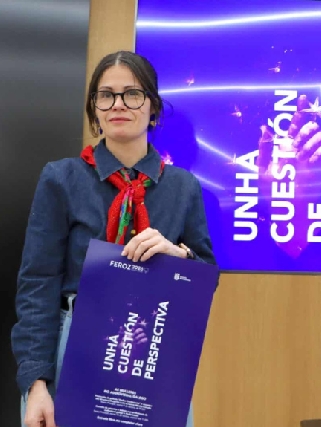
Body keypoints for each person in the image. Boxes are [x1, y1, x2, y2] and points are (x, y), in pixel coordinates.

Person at [11, 50, 216, 427]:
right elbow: (38, 284)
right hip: (74, 345)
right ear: (95, 108)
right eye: (106, 95)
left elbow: (206, 276)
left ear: (153, 107)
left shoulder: (183, 187)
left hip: (154, 349)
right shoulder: (62, 178)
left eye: (132, 94)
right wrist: (36, 383)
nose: (118, 104)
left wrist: (178, 256)